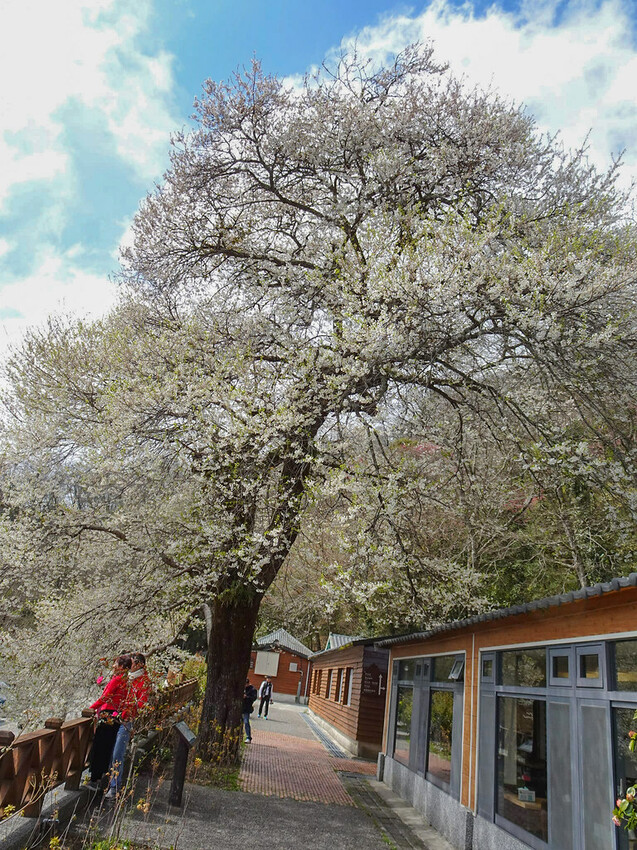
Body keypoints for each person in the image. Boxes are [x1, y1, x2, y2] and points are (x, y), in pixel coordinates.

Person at [105, 652, 152, 800]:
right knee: (107, 749)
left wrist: (126, 709)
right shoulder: (124, 678)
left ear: (137, 664)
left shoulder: (144, 681)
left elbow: (141, 703)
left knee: (118, 751)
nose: (127, 666)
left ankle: (115, 787)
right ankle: (104, 781)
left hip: (126, 720)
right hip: (112, 716)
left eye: (130, 663)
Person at [87, 655, 131, 789]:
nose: (113, 666)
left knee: (100, 746)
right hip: (116, 716)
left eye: (115, 664)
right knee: (107, 747)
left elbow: (104, 698)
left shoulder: (117, 680)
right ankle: (101, 778)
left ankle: (94, 778)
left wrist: (91, 708)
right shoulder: (127, 681)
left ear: (122, 667)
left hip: (107, 715)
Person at [242, 678, 257, 743]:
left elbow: (253, 698)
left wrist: (246, 697)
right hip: (240, 707)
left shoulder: (252, 689)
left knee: (246, 722)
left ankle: (248, 737)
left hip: (247, 708)